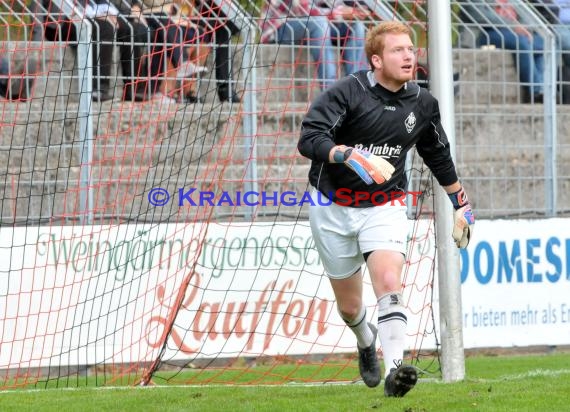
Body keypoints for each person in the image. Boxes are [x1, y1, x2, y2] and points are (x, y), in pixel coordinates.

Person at [297, 21, 474, 396]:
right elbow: (309, 138)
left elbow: (437, 155)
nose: (409, 55)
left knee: (390, 283)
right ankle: (365, 339)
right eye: (398, 50)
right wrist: (346, 154)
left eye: (410, 49)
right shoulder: (348, 92)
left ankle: (396, 372)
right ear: (376, 59)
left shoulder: (423, 103)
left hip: (385, 203)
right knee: (349, 307)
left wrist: (461, 203)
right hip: (331, 204)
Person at [40, 0, 151, 102]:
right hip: (61, 21)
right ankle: (98, 88)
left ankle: (133, 89)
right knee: (104, 27)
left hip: (89, 15)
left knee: (130, 30)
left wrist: (107, 12)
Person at [259, 0, 369, 89]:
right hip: (278, 27)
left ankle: (358, 89)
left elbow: (334, 4)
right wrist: (340, 12)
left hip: (310, 26)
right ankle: (331, 94)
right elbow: (302, 9)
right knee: (319, 23)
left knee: (356, 26)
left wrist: (353, 11)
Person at [460, 0, 544, 103]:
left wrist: (523, 28)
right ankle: (535, 91)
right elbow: (480, 15)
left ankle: (541, 89)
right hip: (485, 32)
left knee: (542, 44)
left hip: (513, 31)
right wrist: (513, 26)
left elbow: (526, 14)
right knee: (521, 42)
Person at [195, 0, 242, 102]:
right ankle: (224, 89)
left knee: (223, 30)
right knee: (224, 27)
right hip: (185, 14)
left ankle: (225, 88)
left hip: (205, 14)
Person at [528, 0, 570, 103]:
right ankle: (548, 91)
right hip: (555, 25)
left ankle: (548, 91)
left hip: (558, 26)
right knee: (556, 41)